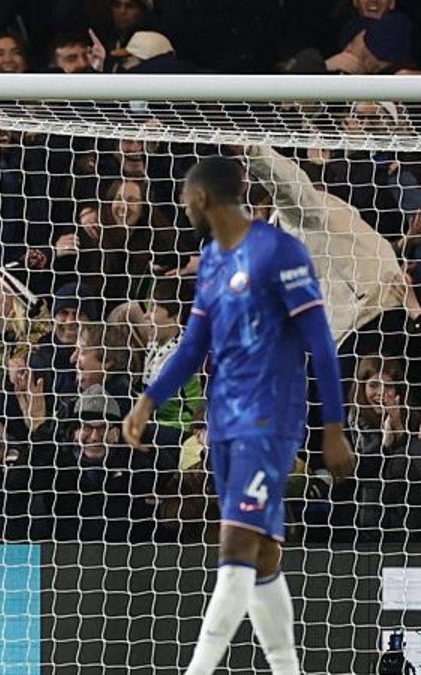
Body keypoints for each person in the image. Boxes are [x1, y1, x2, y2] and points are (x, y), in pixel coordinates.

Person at [122, 157, 356, 675]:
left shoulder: (279, 251)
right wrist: (148, 398)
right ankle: (287, 668)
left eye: (185, 197)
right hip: (223, 422)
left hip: (269, 421)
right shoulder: (210, 258)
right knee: (264, 557)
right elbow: (192, 344)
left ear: (202, 197)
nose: (183, 205)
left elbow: (320, 341)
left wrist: (332, 427)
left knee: (234, 546)